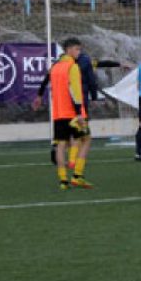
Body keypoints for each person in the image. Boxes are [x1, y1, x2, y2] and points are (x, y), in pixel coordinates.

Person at [50, 38, 92, 190]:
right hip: (72, 112)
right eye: (77, 49)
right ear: (68, 50)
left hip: (58, 113)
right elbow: (75, 91)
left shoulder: (54, 67)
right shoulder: (72, 66)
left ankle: (63, 180)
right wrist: (79, 112)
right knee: (86, 139)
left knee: (61, 145)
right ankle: (77, 175)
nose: (79, 52)